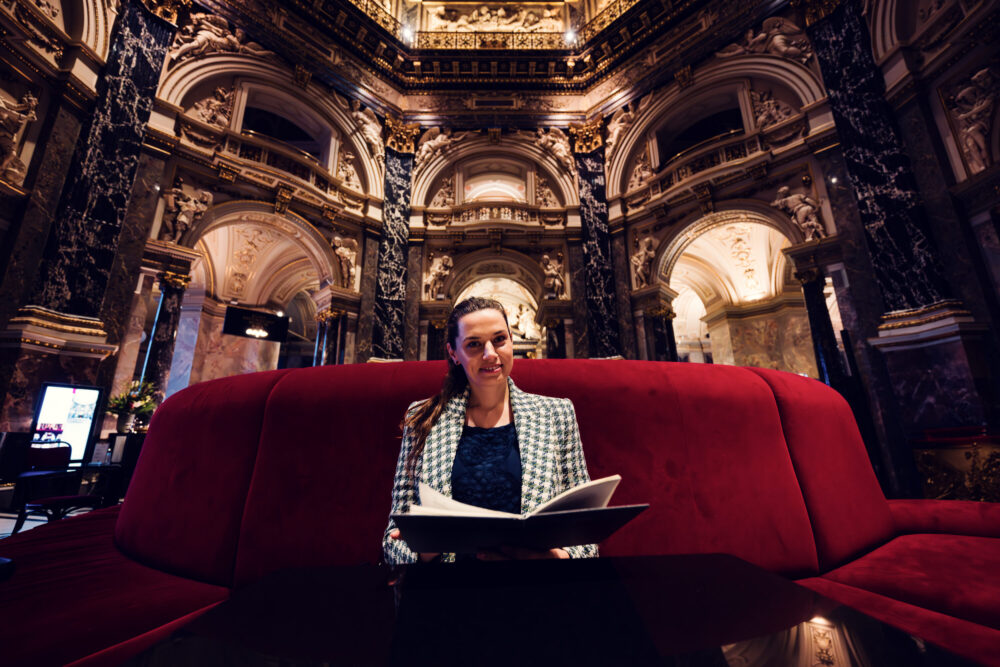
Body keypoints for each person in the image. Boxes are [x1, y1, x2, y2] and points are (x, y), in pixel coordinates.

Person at [384, 297, 598, 565]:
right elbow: (391, 542)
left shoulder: (557, 414)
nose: (490, 354)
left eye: (499, 339)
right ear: (454, 353)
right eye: (474, 344)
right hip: (447, 594)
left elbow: (587, 536)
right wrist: (425, 549)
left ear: (511, 340)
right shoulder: (423, 418)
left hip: (536, 592)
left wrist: (556, 556)